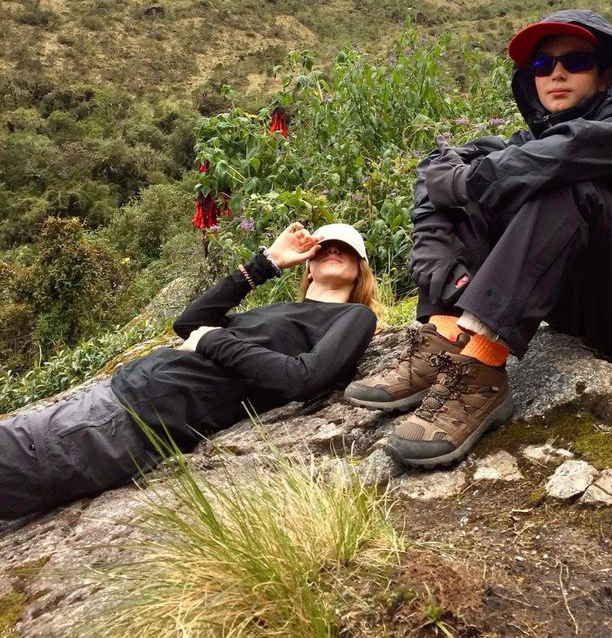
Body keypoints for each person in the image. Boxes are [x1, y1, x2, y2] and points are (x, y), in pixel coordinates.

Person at [346, 10, 612, 469]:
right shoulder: (528, 140)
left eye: (575, 61)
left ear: (605, 74)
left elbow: (560, 156)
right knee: (475, 183)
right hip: (586, 313)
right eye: (542, 65)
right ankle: (444, 339)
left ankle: (481, 372)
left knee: (554, 183)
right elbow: (437, 167)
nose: (556, 73)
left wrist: (465, 182)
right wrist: (435, 254)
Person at [0, 222, 378, 521]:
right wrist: (266, 264)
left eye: (344, 248)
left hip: (132, 420)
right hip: (114, 401)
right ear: (308, 267)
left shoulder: (354, 316)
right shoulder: (276, 311)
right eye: (322, 246)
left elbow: (303, 377)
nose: (332, 250)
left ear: (359, 270)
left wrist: (212, 340)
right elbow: (189, 323)